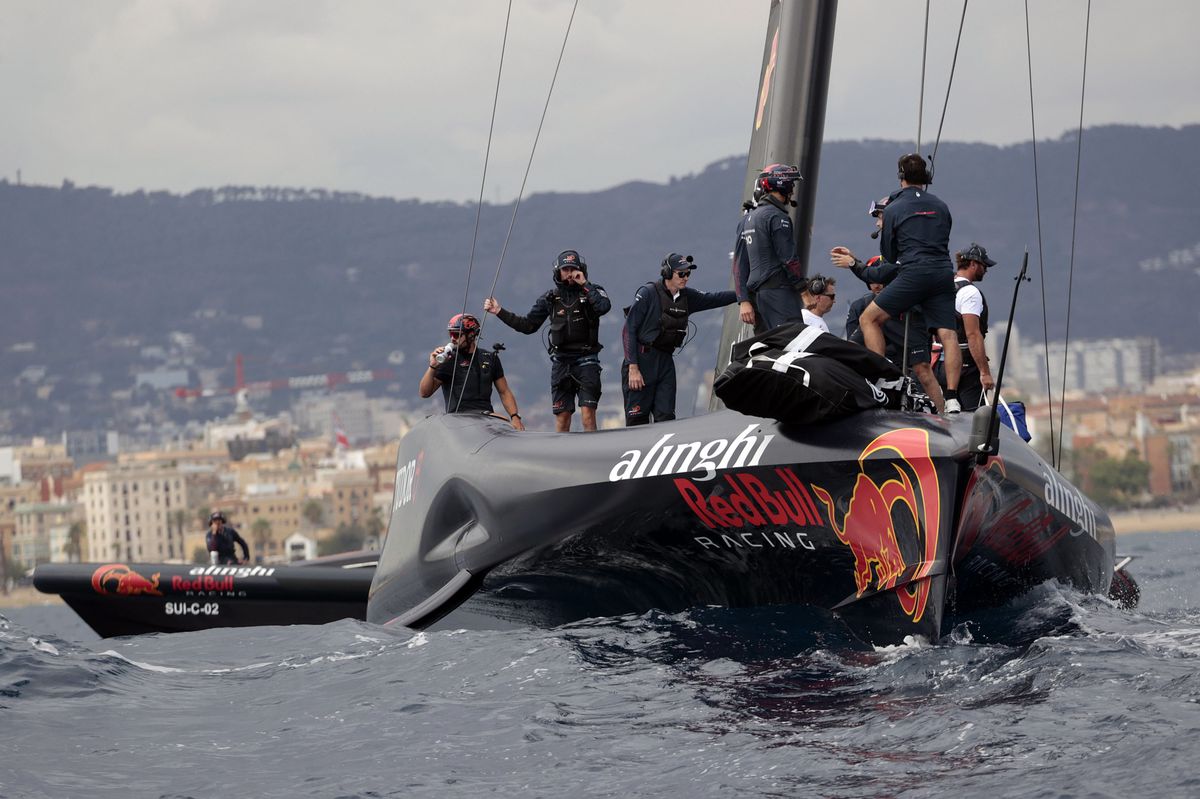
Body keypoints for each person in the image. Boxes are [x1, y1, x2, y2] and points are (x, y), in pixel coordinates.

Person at [830, 154, 964, 413]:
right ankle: (952, 398)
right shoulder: (941, 205)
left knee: (868, 319)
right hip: (942, 271)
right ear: (927, 179)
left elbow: (889, 256)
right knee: (947, 334)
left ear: (901, 177)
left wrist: (854, 263)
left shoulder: (892, 208)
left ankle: (877, 385)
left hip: (914, 272)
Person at [835, 197, 945, 412]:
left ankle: (943, 414)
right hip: (886, 312)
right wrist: (854, 260)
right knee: (851, 353)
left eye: (880, 217)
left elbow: (881, 273)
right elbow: (878, 273)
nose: (877, 223)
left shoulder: (907, 240)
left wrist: (852, 264)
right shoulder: (892, 241)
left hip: (908, 315)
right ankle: (863, 393)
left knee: (922, 369)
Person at [484, 250, 610, 432]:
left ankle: (591, 455)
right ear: (557, 272)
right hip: (561, 363)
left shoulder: (593, 291)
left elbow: (604, 307)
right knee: (562, 418)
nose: (569, 273)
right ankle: (563, 458)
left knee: (588, 416)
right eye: (565, 269)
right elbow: (527, 325)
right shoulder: (550, 298)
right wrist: (499, 311)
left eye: (573, 269)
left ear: (581, 270)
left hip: (587, 361)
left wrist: (585, 284)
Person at [622, 253, 737, 425]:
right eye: (681, 274)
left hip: (665, 361)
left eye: (688, 274)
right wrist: (633, 367)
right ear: (668, 273)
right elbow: (628, 330)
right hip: (642, 360)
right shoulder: (647, 293)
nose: (685, 278)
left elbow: (715, 298)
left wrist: (744, 293)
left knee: (666, 417)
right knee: (637, 419)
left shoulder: (687, 296)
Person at [419, 313, 525, 429]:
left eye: (456, 334)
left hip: (486, 421)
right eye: (451, 334)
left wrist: (515, 417)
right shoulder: (448, 360)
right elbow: (425, 393)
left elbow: (504, 391)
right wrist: (432, 366)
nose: (452, 339)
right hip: (458, 423)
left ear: (471, 335)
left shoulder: (490, 358)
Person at [740, 164, 806, 329]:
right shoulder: (777, 216)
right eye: (791, 184)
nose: (792, 189)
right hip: (778, 292)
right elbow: (789, 259)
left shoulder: (749, 218)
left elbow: (740, 265)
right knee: (795, 342)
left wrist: (744, 299)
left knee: (768, 348)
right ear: (782, 184)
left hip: (759, 297)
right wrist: (803, 289)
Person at [938, 242, 997, 411]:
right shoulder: (970, 293)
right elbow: (973, 334)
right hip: (965, 367)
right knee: (974, 420)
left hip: (941, 364)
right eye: (984, 265)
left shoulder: (944, 287)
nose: (986, 270)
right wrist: (984, 373)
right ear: (973, 264)